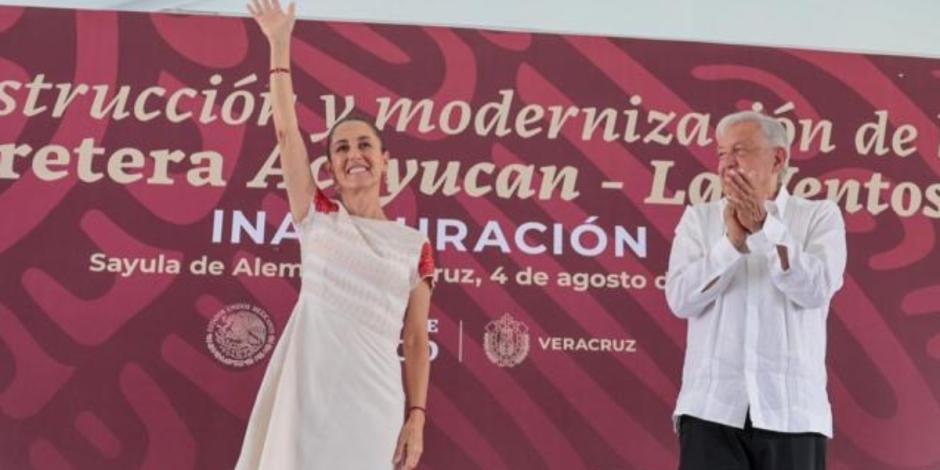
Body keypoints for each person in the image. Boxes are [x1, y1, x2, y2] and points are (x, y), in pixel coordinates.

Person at [235, 1, 435, 469]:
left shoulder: (414, 244)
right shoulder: (318, 216)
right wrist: (278, 43)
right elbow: (287, 134)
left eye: (365, 144)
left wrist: (416, 419)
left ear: (385, 161)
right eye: (341, 148)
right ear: (331, 167)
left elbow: (417, 340)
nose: (354, 153)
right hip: (310, 394)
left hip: (375, 402)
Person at [665, 111, 846, 470]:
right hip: (711, 409)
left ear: (778, 158)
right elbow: (680, 299)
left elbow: (815, 290)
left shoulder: (819, 217)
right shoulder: (699, 220)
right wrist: (732, 242)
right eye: (720, 153)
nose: (726, 163)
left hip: (791, 411)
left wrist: (766, 229)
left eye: (740, 150)